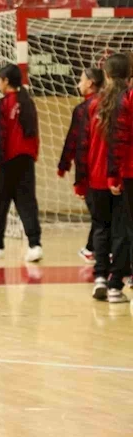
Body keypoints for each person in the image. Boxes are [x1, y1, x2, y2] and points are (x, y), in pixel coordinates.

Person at [75, 56, 131, 303]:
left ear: (106, 76)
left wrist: (80, 180)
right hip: (122, 175)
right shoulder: (126, 100)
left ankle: (100, 277)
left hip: (97, 176)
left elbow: (82, 144)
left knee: (100, 227)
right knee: (122, 230)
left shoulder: (92, 105)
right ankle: (116, 283)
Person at [0, 64, 43, 262]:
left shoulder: (2, 104)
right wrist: (33, 155)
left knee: (1, 204)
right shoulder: (28, 102)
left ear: (6, 81)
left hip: (7, 162)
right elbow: (34, 134)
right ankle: (35, 245)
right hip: (26, 160)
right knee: (27, 203)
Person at [59, 69, 104, 264]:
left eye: (81, 80)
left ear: (90, 83)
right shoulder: (111, 104)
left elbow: (75, 141)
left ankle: (94, 251)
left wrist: (64, 165)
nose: (78, 84)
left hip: (93, 172)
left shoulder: (84, 109)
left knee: (100, 216)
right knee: (106, 215)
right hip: (111, 170)